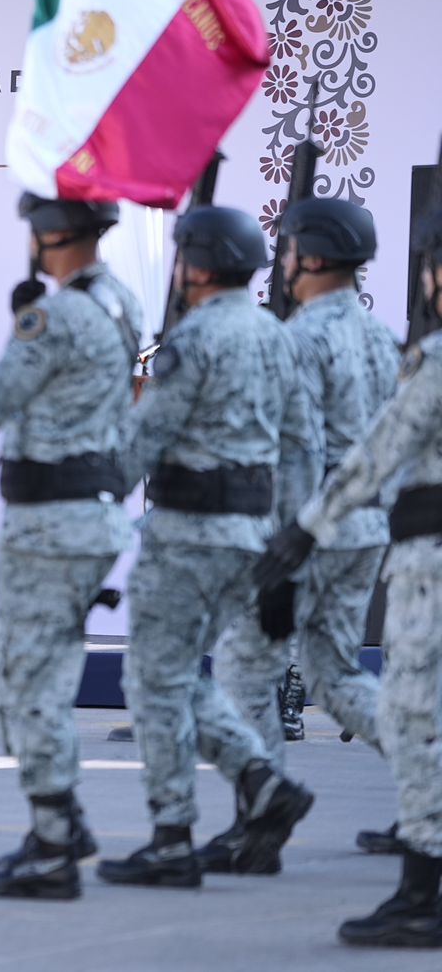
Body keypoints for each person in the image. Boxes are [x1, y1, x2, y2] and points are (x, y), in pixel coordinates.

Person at [96, 205, 317, 889]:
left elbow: (146, 438)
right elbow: (302, 446)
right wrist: (292, 538)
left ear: (194, 265)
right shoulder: (279, 338)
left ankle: (171, 833)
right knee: (187, 675)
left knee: (155, 679)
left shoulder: (189, 343)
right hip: (253, 534)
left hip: (186, 532)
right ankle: (258, 778)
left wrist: (96, 480)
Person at [255, 204, 442, 949]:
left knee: (410, 710)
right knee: (351, 682)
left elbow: (371, 452)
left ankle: (423, 885)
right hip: (381, 536)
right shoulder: (380, 336)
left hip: (393, 543)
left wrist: (296, 534)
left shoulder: (422, 357)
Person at [202, 196, 397, 873]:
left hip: (309, 532)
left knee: (240, 669)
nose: (282, 265)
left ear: (311, 258)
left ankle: (259, 824)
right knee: (338, 674)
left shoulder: (299, 338)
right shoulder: (379, 336)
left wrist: (284, 552)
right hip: (367, 527)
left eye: (288, 252)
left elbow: (298, 453)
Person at [0, 194, 141, 900]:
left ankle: (51, 840)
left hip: (49, 522)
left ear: (49, 238)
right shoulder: (118, 301)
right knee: (18, 668)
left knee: (24, 679)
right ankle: (62, 816)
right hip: (87, 514)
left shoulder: (55, 315)